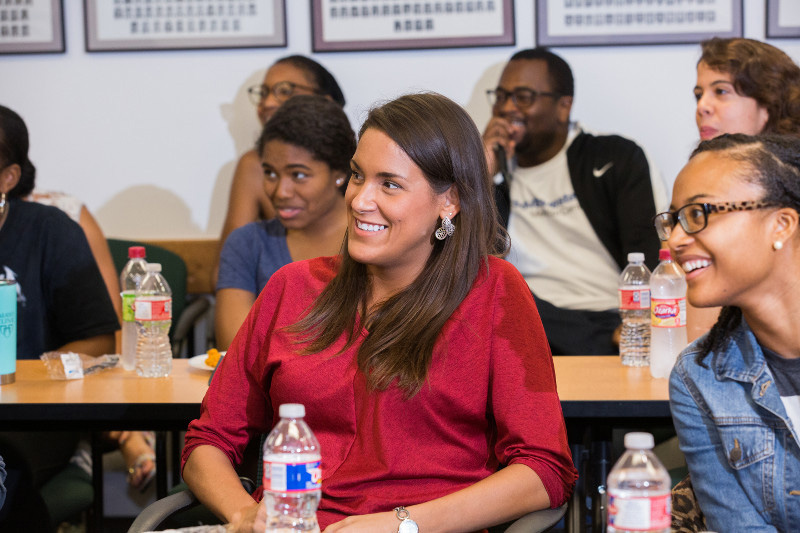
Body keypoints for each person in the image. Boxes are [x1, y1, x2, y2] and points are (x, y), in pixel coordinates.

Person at [183, 93, 577, 532]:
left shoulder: (494, 291)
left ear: (449, 201)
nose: (359, 200)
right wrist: (241, 513)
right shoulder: (292, 287)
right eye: (357, 176)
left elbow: (544, 471)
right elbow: (208, 440)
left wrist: (402, 524)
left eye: (389, 184)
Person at [482, 47, 666, 355]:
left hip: (612, 320)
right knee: (496, 295)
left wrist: (639, 323)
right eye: (500, 96)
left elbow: (649, 255)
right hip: (527, 325)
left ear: (563, 106)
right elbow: (457, 257)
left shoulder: (614, 158)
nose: (506, 108)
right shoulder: (493, 183)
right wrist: (480, 172)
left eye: (523, 97)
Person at [664, 134, 800, 531]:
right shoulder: (698, 378)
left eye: (698, 213)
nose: (674, 239)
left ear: (782, 224)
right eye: (673, 220)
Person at [215, 95, 354, 350]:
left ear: (340, 173)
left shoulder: (370, 242)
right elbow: (236, 350)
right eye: (270, 173)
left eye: (298, 175)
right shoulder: (247, 244)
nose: (280, 191)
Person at [688, 37, 800, 342]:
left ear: (768, 105)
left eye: (721, 92)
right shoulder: (699, 179)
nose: (702, 107)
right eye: (699, 94)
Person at [219, 55, 346, 248]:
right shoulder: (253, 164)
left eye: (285, 91)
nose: (268, 103)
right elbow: (229, 266)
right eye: (264, 93)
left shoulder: (363, 158)